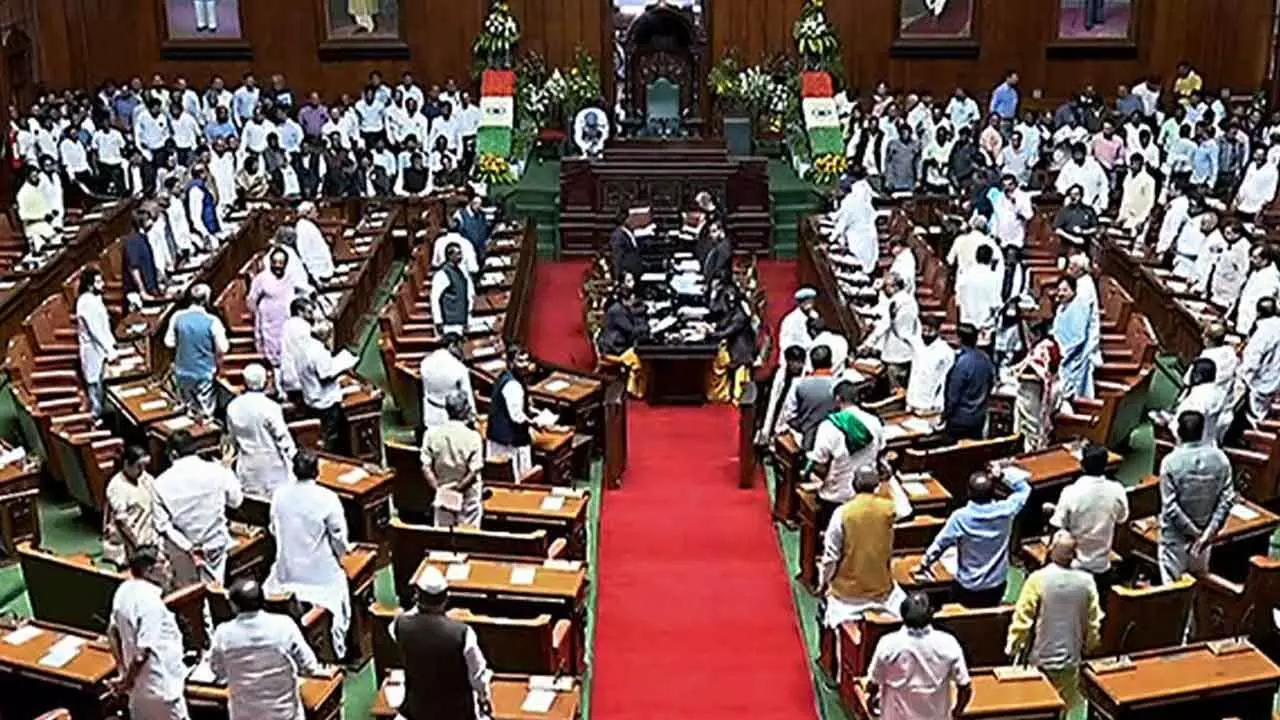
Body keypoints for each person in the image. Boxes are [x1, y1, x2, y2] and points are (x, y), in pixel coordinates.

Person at [265, 449, 351, 659]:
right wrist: (342, 556)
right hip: (319, 575)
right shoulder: (327, 498)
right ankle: (337, 651)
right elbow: (338, 537)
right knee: (342, 581)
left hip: (286, 569)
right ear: (317, 472)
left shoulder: (279, 495)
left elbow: (274, 529)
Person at [1005, 530, 1103, 716]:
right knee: (1063, 709)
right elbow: (1093, 623)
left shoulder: (1037, 580)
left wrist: (1013, 647)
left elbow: (1023, 620)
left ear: (1050, 549)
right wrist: (1090, 646)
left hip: (1039, 660)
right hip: (1071, 659)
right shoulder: (1087, 582)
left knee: (1039, 710)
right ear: (1074, 555)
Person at [209, 578, 323, 720]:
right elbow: (309, 666)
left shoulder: (222, 634)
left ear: (233, 606)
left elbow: (218, 671)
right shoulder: (284, 625)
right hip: (285, 715)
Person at [917, 465, 1031, 607]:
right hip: (996, 585)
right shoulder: (1007, 510)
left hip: (967, 587)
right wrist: (1002, 475)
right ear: (994, 492)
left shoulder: (960, 517)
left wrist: (924, 564)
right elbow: (1024, 489)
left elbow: (939, 545)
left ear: (968, 493)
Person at [392, 566, 494, 719]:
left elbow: (405, 619)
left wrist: (419, 606)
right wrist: (483, 698)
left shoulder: (399, 625)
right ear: (446, 598)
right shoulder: (463, 633)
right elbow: (478, 676)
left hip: (417, 712)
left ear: (417, 596)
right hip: (457, 715)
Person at [152, 430, 243, 588]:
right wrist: (227, 470)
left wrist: (189, 547)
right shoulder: (217, 470)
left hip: (184, 552)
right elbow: (235, 501)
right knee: (216, 588)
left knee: (190, 592)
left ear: (173, 454)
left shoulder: (159, 484)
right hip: (215, 544)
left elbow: (163, 525)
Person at [107, 545, 190, 720]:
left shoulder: (123, 590)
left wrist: (122, 672)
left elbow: (112, 632)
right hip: (161, 688)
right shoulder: (151, 603)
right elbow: (141, 654)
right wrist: (126, 682)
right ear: (149, 571)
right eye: (163, 562)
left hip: (139, 692)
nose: (168, 566)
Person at [818, 469, 906, 627]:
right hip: (881, 590)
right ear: (877, 486)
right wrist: (890, 479)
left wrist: (824, 581)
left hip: (847, 595)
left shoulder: (842, 513)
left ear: (853, 485)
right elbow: (906, 509)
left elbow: (831, 557)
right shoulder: (888, 508)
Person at [865, 592, 972, 720]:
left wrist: (871, 700)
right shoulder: (948, 643)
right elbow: (965, 687)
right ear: (932, 612)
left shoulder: (887, 644)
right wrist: (956, 713)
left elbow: (873, 684)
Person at [806, 380, 892, 534]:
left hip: (834, 497)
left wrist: (809, 477)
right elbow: (881, 454)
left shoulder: (829, 426)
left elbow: (820, 465)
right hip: (865, 495)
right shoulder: (875, 422)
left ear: (838, 399)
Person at [1158, 411, 1234, 583]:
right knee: (1199, 586)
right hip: (1204, 541)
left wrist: (1195, 533)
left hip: (1175, 541)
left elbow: (1170, 507)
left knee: (1173, 591)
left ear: (1179, 432)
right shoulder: (1221, 459)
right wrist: (1206, 534)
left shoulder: (1169, 462)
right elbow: (1226, 501)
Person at [1047, 444, 1129, 597]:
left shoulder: (1070, 492)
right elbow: (1122, 518)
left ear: (1082, 465)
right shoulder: (1117, 490)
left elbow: (1056, 525)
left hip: (1074, 568)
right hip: (1102, 566)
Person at [226, 363, 297, 497]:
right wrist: (296, 459)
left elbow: (232, 437)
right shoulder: (271, 407)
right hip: (272, 468)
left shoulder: (233, 406)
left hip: (247, 466)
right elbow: (283, 438)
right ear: (265, 383)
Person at [163, 283, 229, 420]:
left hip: (182, 372)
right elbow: (223, 348)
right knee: (205, 415)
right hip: (204, 373)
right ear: (206, 300)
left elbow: (169, 343)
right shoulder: (213, 321)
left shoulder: (177, 317)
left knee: (186, 412)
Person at [421, 392, 485, 528]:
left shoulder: (431, 434)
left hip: (443, 493)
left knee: (443, 536)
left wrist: (440, 491)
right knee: (468, 536)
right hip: (467, 497)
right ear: (466, 411)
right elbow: (474, 472)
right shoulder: (474, 437)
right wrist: (458, 489)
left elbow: (425, 467)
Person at [487, 345, 552, 479]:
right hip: (510, 443)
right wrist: (534, 423)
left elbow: (517, 406)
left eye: (526, 360)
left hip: (500, 438)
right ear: (511, 362)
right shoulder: (513, 384)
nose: (525, 365)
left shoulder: (506, 377)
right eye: (520, 361)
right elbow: (517, 416)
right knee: (519, 479)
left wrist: (534, 412)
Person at [297, 319, 358, 454]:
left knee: (322, 434)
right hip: (324, 402)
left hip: (310, 398)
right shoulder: (318, 351)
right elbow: (326, 375)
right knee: (329, 437)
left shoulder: (304, 347)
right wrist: (343, 366)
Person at [859, 272, 919, 388]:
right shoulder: (911, 300)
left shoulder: (895, 302)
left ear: (894, 287)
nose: (884, 290)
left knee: (895, 388)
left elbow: (884, 325)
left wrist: (867, 344)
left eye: (885, 286)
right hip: (908, 351)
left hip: (895, 353)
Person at [102, 445, 158, 569]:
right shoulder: (116, 486)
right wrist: (138, 546)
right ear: (127, 464)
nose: (142, 470)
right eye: (139, 466)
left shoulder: (146, 479)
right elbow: (121, 522)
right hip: (127, 544)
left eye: (144, 466)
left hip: (149, 537)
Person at [1012, 320, 1063, 450]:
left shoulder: (1042, 348)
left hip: (1036, 389)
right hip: (1052, 387)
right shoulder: (1053, 345)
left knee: (1031, 429)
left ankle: (1032, 450)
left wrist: (1018, 374)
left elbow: (1032, 369)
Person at [75, 267, 118, 421]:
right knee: (95, 387)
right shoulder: (85, 302)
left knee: (103, 386)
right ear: (89, 285)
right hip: (92, 351)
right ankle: (96, 419)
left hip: (102, 349)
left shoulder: (95, 299)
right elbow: (95, 331)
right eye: (98, 282)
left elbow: (104, 326)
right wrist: (109, 349)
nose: (103, 284)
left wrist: (112, 344)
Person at [942, 323, 996, 441]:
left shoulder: (962, 363)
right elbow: (991, 382)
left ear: (959, 339)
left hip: (959, 420)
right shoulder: (986, 359)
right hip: (978, 417)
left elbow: (953, 395)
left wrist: (945, 415)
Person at [706, 281, 756, 404]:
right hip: (733, 347)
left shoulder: (740, 316)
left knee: (738, 385)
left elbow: (727, 332)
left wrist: (710, 333)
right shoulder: (733, 311)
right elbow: (722, 320)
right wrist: (714, 326)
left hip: (741, 352)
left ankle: (735, 401)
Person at [419, 332, 475, 434]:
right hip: (453, 420)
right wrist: (473, 418)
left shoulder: (425, 363)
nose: (461, 352)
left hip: (430, 414)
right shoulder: (459, 368)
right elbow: (468, 397)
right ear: (452, 345)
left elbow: (424, 389)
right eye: (460, 347)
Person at [1238, 297, 1280, 429]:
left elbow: (1251, 362)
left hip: (1260, 384)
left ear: (1258, 313)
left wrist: (1241, 378)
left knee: (1253, 417)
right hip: (1275, 381)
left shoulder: (1264, 332)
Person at [598, 290, 649, 398]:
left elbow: (632, 317)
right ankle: (633, 389)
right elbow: (631, 330)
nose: (633, 302)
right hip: (613, 348)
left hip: (617, 343)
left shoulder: (621, 307)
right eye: (632, 300)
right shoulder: (617, 311)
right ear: (624, 300)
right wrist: (647, 326)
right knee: (639, 357)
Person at [1053, 276, 1096, 400]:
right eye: (1059, 290)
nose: (1061, 293)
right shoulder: (1061, 308)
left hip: (1073, 356)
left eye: (1065, 290)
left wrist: (1064, 353)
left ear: (1073, 291)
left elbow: (1079, 338)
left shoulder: (1079, 306)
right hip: (1061, 352)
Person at [757, 346, 807, 447]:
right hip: (775, 410)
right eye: (793, 361)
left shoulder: (805, 380)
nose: (796, 365)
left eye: (799, 362)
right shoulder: (777, 374)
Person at [833, 166, 879, 273]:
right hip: (868, 237)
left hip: (858, 240)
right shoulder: (865, 191)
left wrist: (831, 238)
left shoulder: (852, 199)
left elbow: (841, 224)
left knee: (858, 265)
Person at [905, 316, 954, 415]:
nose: (926, 333)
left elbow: (945, 378)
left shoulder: (945, 351)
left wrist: (938, 402)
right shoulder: (917, 343)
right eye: (924, 330)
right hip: (912, 399)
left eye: (930, 331)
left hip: (929, 403)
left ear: (937, 331)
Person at [1174, 357, 1229, 444]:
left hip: (1190, 444)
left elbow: (1183, 426)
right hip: (1212, 441)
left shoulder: (1197, 397)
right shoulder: (1219, 392)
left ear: (1198, 376)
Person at [956, 244, 1004, 335]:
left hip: (965, 322)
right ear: (990, 259)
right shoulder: (993, 277)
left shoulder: (964, 274)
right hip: (984, 325)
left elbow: (958, 298)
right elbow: (995, 303)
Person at [431, 242, 475, 336]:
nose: (461, 256)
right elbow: (435, 298)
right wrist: (438, 321)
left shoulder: (461, 271)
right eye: (458, 254)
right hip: (449, 324)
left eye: (461, 253)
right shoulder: (442, 274)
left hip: (461, 321)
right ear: (450, 255)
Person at [1236, 244, 1280, 335]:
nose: (1251, 260)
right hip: (1243, 317)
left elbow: (1265, 305)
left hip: (1252, 321)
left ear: (1265, 260)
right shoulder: (1256, 270)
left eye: (1255, 257)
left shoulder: (1271, 278)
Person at [278, 298, 315, 406]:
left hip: (287, 377)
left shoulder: (286, 325)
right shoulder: (303, 326)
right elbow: (308, 353)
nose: (312, 316)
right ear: (299, 312)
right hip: (301, 379)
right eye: (309, 312)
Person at [1055, 143, 1109, 214]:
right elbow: (1059, 183)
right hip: (1073, 203)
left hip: (1092, 203)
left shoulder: (1094, 165)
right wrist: (1068, 191)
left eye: (1079, 152)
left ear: (1084, 153)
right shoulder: (1068, 166)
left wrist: (1103, 203)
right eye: (1076, 153)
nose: (1078, 155)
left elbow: (1104, 184)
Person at [124, 208, 161, 304]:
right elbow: (134, 269)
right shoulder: (133, 241)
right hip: (143, 293)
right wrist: (142, 291)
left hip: (153, 288)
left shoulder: (143, 238)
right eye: (148, 220)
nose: (151, 222)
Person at [15, 167, 57, 252]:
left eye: (37, 175)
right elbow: (23, 216)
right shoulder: (22, 194)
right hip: (33, 227)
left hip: (46, 225)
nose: (36, 177)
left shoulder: (39, 188)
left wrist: (51, 213)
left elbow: (45, 206)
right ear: (27, 177)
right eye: (33, 176)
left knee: (59, 241)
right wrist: (41, 217)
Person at [294, 202, 335, 285]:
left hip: (321, 264)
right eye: (314, 211)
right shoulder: (302, 227)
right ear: (307, 212)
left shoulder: (310, 225)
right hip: (315, 266)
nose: (317, 213)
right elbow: (303, 250)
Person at [1234, 146, 1278, 219]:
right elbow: (1246, 180)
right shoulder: (1252, 165)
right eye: (1256, 154)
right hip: (1245, 201)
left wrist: (1266, 202)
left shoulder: (1272, 170)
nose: (1258, 157)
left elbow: (1272, 188)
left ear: (1265, 156)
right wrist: (1240, 193)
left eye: (1261, 155)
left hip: (1258, 204)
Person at [990, 174, 1034, 248]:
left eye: (1010, 185)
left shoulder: (1023, 196)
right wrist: (994, 233)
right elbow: (996, 216)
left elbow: (1029, 214)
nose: (1007, 187)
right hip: (1001, 236)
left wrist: (1015, 206)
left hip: (1016, 236)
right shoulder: (999, 198)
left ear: (1015, 184)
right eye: (1005, 185)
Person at [778, 287, 818, 358]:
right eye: (805, 302)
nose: (809, 304)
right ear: (799, 303)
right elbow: (785, 344)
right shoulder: (790, 320)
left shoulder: (814, 315)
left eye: (811, 301)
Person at [453, 194, 490, 266]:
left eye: (479, 204)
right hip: (467, 251)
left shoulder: (482, 215)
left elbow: (486, 229)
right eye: (475, 203)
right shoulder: (460, 214)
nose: (478, 206)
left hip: (481, 251)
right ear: (470, 203)